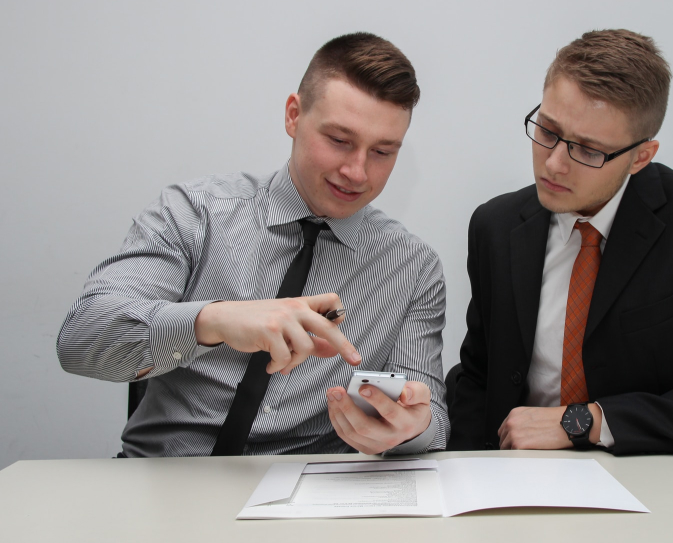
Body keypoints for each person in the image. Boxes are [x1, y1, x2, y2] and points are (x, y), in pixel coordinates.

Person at [57, 32, 448, 457]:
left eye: (383, 151)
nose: (357, 171)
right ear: (294, 115)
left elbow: (432, 419)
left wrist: (411, 427)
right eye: (339, 140)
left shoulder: (412, 267)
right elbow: (81, 340)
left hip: (308, 498)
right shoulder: (194, 213)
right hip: (164, 480)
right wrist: (213, 321)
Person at [448, 29, 673, 455]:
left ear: (641, 157)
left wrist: (584, 422)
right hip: (517, 481)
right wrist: (460, 475)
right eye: (548, 131)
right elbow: (479, 377)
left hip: (654, 489)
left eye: (588, 151)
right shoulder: (495, 226)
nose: (553, 163)